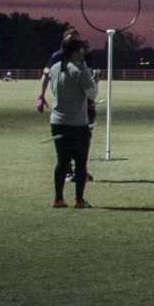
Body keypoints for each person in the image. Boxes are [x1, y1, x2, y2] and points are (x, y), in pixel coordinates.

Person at [37, 34, 100, 208]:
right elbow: (92, 95)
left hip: (57, 121)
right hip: (77, 123)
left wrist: (41, 97)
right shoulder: (80, 70)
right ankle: (79, 200)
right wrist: (95, 80)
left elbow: (47, 77)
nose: (83, 53)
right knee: (80, 163)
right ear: (74, 52)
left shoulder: (56, 67)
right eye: (81, 49)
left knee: (62, 162)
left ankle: (58, 198)